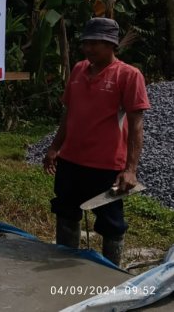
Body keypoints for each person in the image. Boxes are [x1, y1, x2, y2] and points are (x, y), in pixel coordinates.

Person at [43, 18, 149, 266]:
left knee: (111, 224)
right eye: (85, 43)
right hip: (71, 160)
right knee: (66, 212)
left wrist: (130, 169)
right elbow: (69, 113)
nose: (88, 49)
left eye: (95, 44)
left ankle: (110, 274)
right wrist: (55, 147)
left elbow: (136, 126)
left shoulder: (128, 75)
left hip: (106, 166)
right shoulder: (79, 69)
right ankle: (63, 263)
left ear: (111, 44)